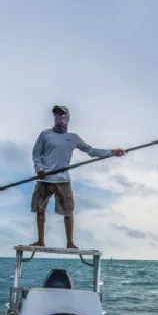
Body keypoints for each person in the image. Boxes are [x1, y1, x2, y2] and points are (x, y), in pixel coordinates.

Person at [29, 105, 126, 249]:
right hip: (44, 178)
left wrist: (113, 152)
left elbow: (92, 151)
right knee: (40, 210)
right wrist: (39, 169)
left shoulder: (73, 138)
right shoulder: (45, 135)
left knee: (68, 211)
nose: (59, 118)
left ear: (67, 118)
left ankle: (70, 242)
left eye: (62, 115)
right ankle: (40, 241)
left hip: (62, 179)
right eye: (56, 115)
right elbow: (36, 153)